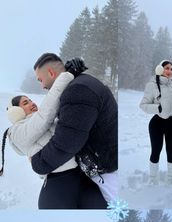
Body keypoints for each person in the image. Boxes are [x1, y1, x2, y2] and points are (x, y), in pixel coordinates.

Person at [1, 63, 107, 209]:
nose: (32, 103)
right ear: (16, 111)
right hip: (57, 187)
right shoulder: (15, 132)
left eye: (30, 100)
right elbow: (44, 116)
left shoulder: (48, 119)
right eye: (26, 103)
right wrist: (66, 75)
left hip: (83, 178)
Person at [31, 53, 118, 206]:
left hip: (108, 174)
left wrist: (38, 162)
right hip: (102, 165)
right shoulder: (80, 84)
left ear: (51, 73)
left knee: (117, 212)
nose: (42, 85)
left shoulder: (77, 91)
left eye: (40, 79)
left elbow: (67, 142)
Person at [140, 60, 172, 185]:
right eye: (166, 68)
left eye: (171, 69)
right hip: (157, 124)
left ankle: (171, 178)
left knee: (171, 151)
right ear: (160, 69)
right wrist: (157, 108)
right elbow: (143, 105)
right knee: (156, 150)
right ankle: (153, 179)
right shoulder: (152, 85)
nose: (169, 71)